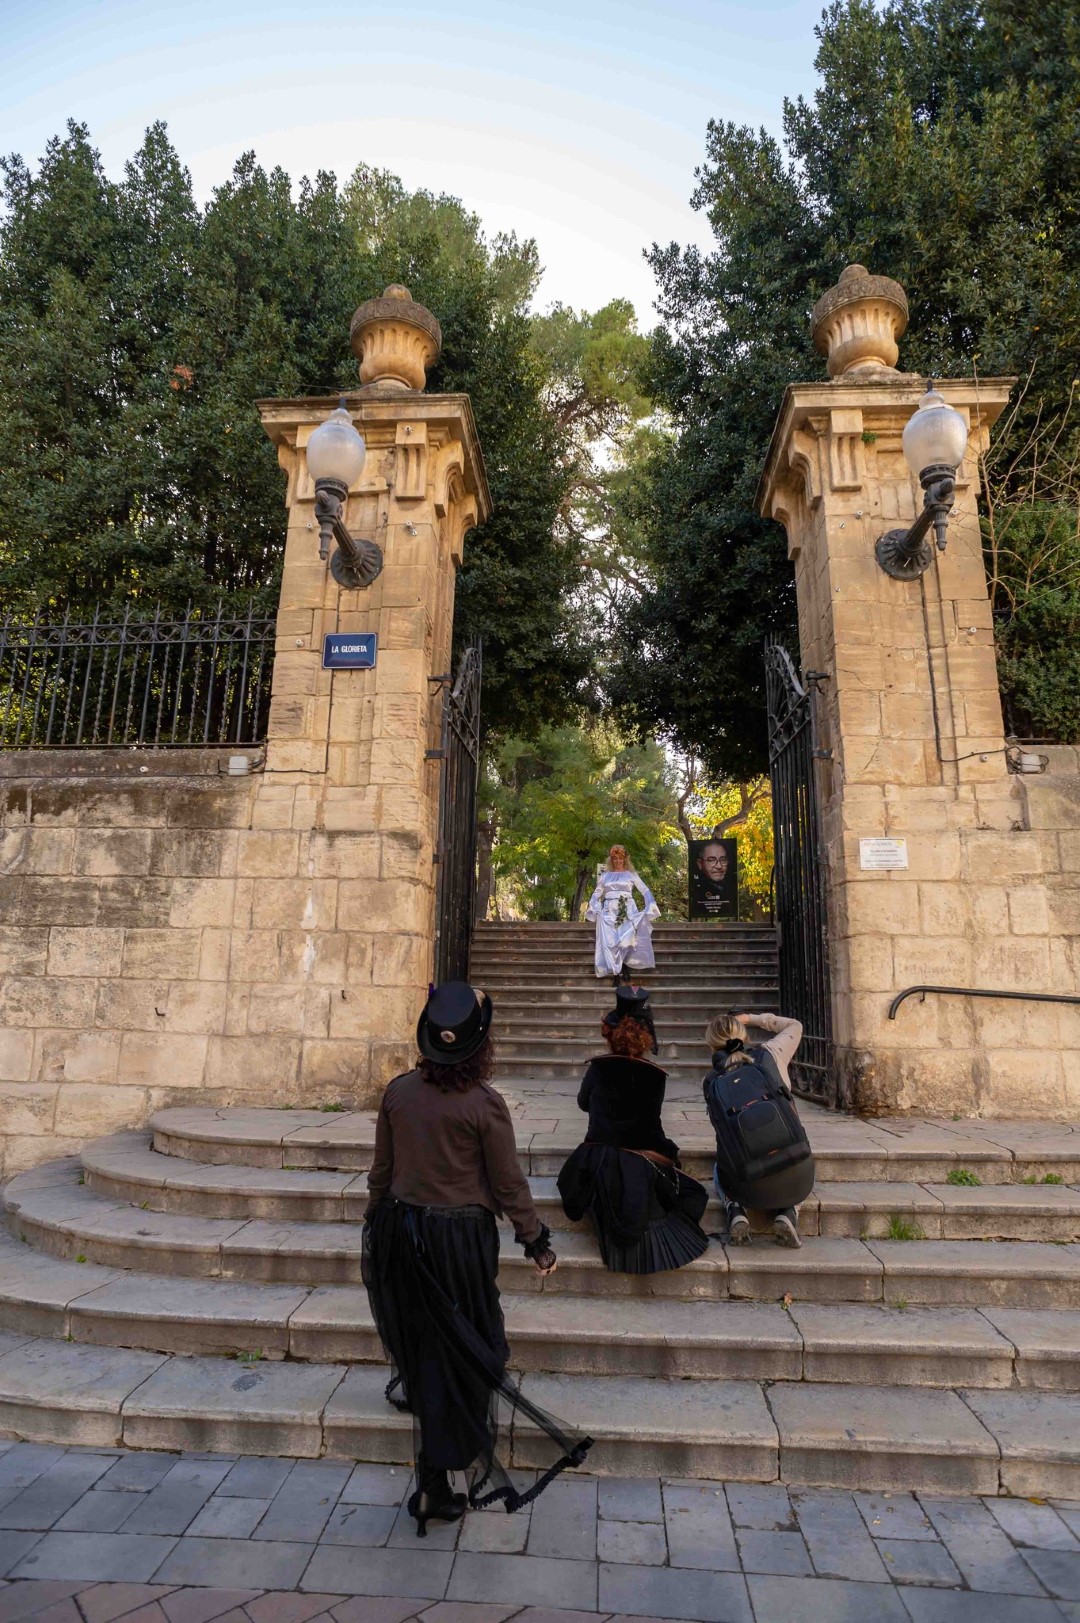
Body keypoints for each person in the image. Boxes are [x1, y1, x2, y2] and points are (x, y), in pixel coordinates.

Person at [363, 981, 593, 1536]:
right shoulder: (485, 1105)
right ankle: (442, 1472)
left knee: (428, 1349)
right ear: (480, 1046)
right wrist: (535, 1241)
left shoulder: (397, 1094)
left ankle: (433, 1484)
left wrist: (377, 1225)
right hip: (460, 1242)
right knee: (470, 1348)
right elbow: (508, 1183)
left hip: (403, 1232)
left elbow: (381, 1174)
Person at [557, 985, 709, 1273]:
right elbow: (651, 1124)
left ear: (610, 1035)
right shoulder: (655, 1076)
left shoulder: (598, 1068)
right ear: (645, 1039)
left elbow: (582, 1103)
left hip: (599, 1159)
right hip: (638, 1162)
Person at [704, 1010, 809, 1249]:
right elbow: (795, 1025)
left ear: (711, 1045)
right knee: (799, 1150)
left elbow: (723, 1135)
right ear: (744, 1035)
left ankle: (735, 1210)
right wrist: (752, 1018)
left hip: (746, 1183)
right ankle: (789, 1212)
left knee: (719, 1165)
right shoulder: (771, 1054)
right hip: (795, 1169)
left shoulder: (711, 1082)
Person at [585, 845, 660, 984]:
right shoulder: (605, 875)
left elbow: (644, 889)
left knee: (626, 939)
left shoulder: (631, 874)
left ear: (625, 859)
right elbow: (597, 892)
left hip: (627, 910)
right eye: (615, 858)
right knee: (611, 941)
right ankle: (615, 974)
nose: (618, 861)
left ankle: (624, 966)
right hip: (609, 911)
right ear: (611, 860)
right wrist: (594, 907)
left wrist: (650, 904)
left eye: (620, 858)